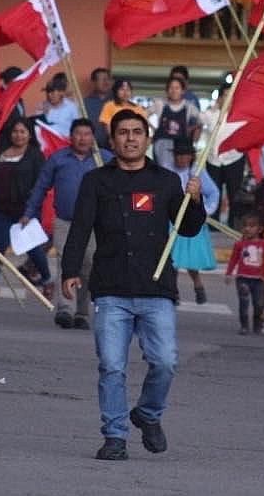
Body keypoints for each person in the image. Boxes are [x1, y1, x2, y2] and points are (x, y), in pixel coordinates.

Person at [61, 109, 205, 461]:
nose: (130, 138)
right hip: (111, 288)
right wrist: (69, 271)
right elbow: (80, 229)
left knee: (166, 361)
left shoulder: (167, 181)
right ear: (113, 141)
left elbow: (187, 228)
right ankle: (115, 436)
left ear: (147, 138)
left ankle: (148, 413)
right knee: (111, 365)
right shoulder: (96, 181)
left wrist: (195, 200)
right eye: (123, 132)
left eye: (137, 132)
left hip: (156, 289)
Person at [20, 118, 112, 329]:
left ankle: (81, 312)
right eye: (78, 134)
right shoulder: (58, 159)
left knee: (89, 266)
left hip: (94, 224)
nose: (83, 138)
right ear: (71, 136)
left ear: (93, 137)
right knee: (66, 263)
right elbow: (41, 186)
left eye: (87, 134)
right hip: (65, 221)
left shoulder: (104, 160)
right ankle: (65, 309)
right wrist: (29, 213)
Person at [0, 116, 52, 299]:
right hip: (1, 208)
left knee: (33, 248)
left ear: (29, 135)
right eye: (15, 131)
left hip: (26, 209)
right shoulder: (0, 153)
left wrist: (31, 209)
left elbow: (42, 184)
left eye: (22, 132)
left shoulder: (35, 155)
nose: (18, 135)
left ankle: (47, 280)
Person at [169, 137, 218, 304]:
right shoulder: (168, 171)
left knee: (191, 259)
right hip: (172, 220)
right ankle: (173, 291)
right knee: (172, 258)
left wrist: (206, 211)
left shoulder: (198, 173)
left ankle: (198, 285)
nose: (181, 158)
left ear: (191, 156)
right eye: (178, 155)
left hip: (192, 219)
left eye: (185, 155)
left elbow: (213, 193)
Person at [203, 82, 246, 228]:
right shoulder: (210, 115)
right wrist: (215, 107)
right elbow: (199, 119)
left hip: (234, 159)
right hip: (213, 160)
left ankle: (233, 224)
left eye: (231, 95)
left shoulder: (241, 117)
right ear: (220, 98)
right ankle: (212, 224)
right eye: (226, 95)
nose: (229, 98)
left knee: (234, 194)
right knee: (214, 192)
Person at [225, 211, 264, 334]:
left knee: (258, 304)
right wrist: (229, 273)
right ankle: (244, 326)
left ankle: (258, 325)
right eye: (245, 226)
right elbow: (233, 259)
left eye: (251, 226)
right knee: (244, 302)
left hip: (259, 279)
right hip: (242, 278)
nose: (247, 229)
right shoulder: (240, 244)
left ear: (260, 229)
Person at [151, 75, 201, 170]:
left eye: (177, 88)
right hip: (163, 142)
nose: (174, 91)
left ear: (183, 91)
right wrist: (151, 129)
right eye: (171, 88)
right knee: (165, 169)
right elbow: (143, 115)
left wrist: (194, 130)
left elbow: (201, 120)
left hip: (181, 145)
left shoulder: (189, 106)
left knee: (185, 170)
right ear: (167, 90)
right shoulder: (161, 104)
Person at [98, 78, 145, 146]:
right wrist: (113, 139)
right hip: (115, 141)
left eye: (128, 90)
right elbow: (107, 125)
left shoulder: (138, 108)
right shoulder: (109, 105)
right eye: (122, 89)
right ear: (116, 91)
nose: (125, 92)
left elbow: (141, 127)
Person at [36, 72, 79, 137]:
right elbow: (38, 126)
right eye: (47, 92)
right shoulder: (41, 106)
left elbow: (77, 127)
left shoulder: (71, 106)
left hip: (66, 141)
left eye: (52, 92)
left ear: (61, 93)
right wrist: (44, 114)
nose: (49, 95)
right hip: (49, 142)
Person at [83, 67, 111, 149]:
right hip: (91, 148)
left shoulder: (117, 102)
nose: (106, 82)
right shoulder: (84, 103)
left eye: (108, 79)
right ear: (94, 82)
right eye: (102, 79)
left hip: (114, 149)